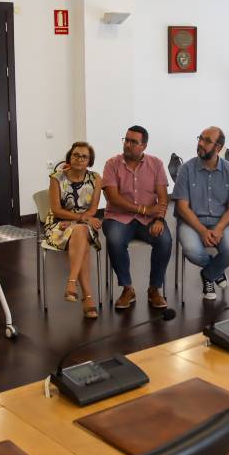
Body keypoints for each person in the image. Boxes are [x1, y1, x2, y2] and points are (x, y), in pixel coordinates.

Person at [102, 125, 171, 309]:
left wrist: (159, 219)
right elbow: (113, 199)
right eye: (126, 140)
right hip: (118, 217)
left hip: (149, 220)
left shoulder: (156, 164)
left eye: (133, 142)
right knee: (115, 239)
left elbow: (163, 198)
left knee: (164, 240)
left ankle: (154, 289)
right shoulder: (112, 164)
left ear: (144, 146)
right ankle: (127, 288)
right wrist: (144, 210)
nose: (127, 144)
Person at [172, 126, 229, 300]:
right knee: (192, 250)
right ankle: (216, 271)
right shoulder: (186, 169)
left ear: (218, 148)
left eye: (207, 141)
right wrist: (202, 230)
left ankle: (208, 274)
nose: (201, 143)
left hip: (221, 222)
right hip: (192, 222)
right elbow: (182, 207)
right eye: (200, 138)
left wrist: (218, 229)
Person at [44, 141, 102, 319]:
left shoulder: (96, 179)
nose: (79, 159)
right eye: (76, 155)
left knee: (80, 231)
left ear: (89, 161)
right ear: (70, 156)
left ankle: (71, 283)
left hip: (83, 225)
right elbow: (56, 210)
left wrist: (81, 221)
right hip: (59, 225)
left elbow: (93, 210)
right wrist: (79, 219)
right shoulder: (57, 178)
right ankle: (87, 297)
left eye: (84, 156)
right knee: (81, 233)